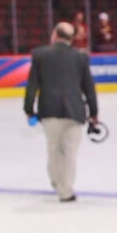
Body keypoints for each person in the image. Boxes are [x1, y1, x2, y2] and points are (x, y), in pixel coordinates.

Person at [24, 22, 99, 202]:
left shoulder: (40, 55)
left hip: (49, 111)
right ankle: (66, 189)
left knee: (53, 150)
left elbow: (32, 84)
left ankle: (58, 184)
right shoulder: (80, 57)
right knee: (69, 153)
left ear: (54, 35)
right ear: (71, 38)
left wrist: (28, 109)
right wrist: (93, 113)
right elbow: (89, 87)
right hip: (75, 111)